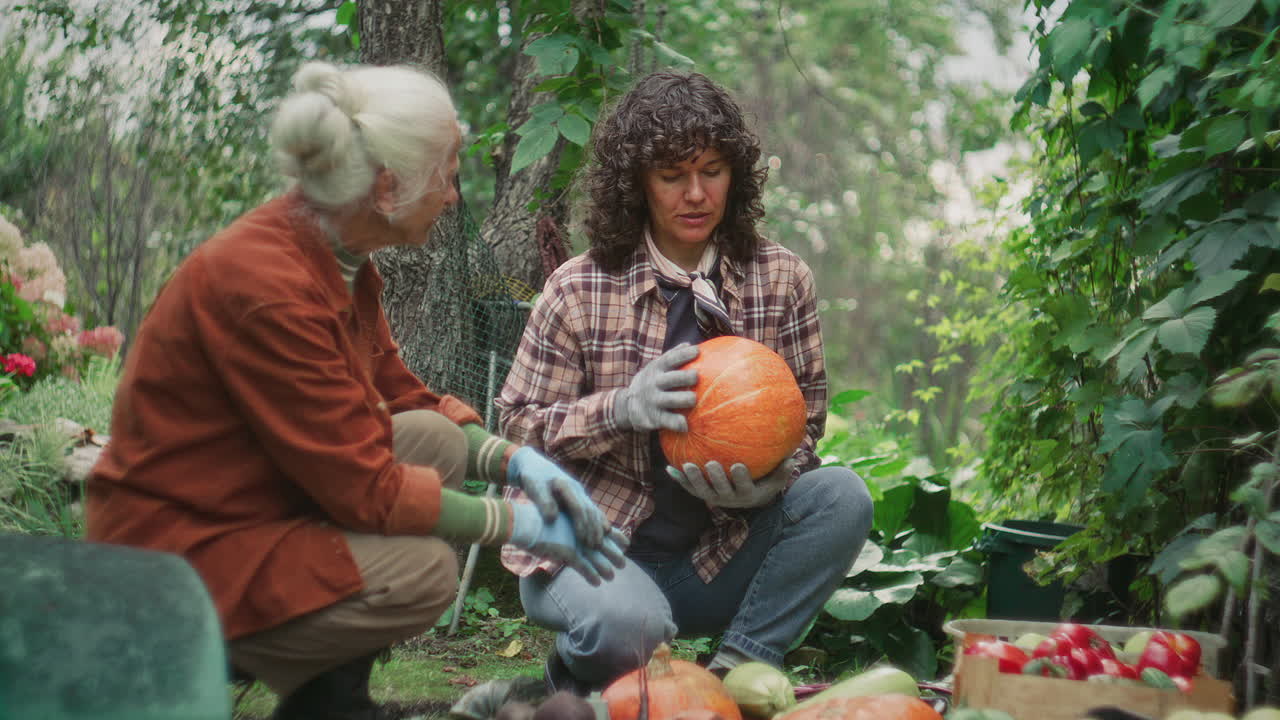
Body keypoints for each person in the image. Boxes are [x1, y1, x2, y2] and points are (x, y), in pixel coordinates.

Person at [86, 61, 624, 720]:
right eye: (449, 176)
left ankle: (332, 700)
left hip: (253, 505)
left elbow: (395, 392)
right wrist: (516, 523)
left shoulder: (335, 256)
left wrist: (510, 459)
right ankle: (245, 672)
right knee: (422, 573)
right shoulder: (265, 287)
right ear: (389, 187)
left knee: (433, 438)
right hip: (177, 555)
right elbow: (366, 489)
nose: (455, 196)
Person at [495, 70, 874, 695]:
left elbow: (803, 429)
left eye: (713, 171)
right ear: (637, 184)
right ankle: (596, 657)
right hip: (589, 547)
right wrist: (622, 408)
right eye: (672, 176)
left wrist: (767, 487)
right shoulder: (578, 288)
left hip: (713, 559)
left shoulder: (782, 280)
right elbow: (517, 429)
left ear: (737, 174)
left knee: (843, 497)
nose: (695, 194)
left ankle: (736, 675)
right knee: (631, 625)